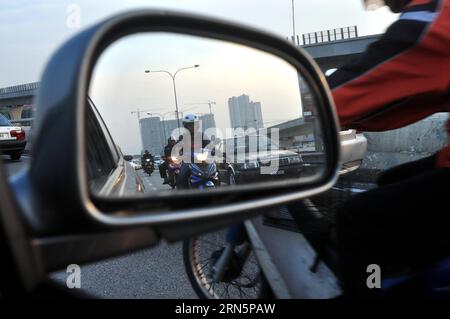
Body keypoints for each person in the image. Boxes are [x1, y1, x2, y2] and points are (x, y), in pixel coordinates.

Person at [327, 0, 450, 296]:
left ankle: (368, 287)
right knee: (389, 180)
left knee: (356, 219)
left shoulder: (431, 19)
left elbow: (358, 84)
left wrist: (315, 107)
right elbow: (410, 94)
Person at [176, 114, 215, 189]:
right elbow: (177, 148)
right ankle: (183, 195)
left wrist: (213, 150)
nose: (192, 127)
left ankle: (219, 191)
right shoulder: (183, 137)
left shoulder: (203, 135)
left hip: (204, 161)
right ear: (186, 126)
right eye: (190, 125)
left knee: (215, 172)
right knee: (182, 175)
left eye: (194, 124)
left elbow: (209, 145)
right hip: (188, 161)